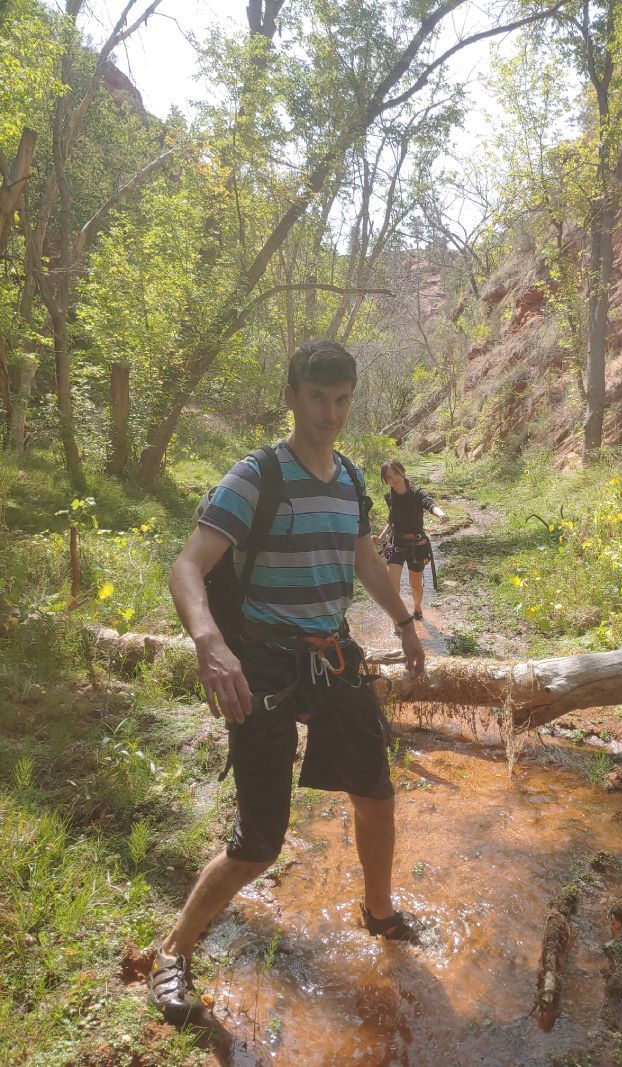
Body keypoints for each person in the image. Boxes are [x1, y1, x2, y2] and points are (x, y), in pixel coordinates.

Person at [148, 339, 426, 1025]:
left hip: (333, 658)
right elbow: (188, 566)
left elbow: (364, 561)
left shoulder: (350, 480)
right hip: (262, 665)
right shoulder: (256, 476)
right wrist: (211, 645)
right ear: (292, 395)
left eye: (341, 401)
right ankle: (172, 951)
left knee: (376, 792)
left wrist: (407, 622)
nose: (330, 414)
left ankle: (378, 908)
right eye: (317, 398)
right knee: (259, 841)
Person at [375, 460, 447, 622]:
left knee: (415, 585)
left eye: (395, 473)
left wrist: (441, 514)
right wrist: (380, 537)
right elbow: (391, 520)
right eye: (388, 477)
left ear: (403, 471)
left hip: (417, 545)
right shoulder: (389, 497)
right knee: (393, 585)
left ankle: (417, 607)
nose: (393, 478)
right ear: (385, 481)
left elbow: (429, 503)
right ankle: (398, 619)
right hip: (396, 543)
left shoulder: (416, 492)